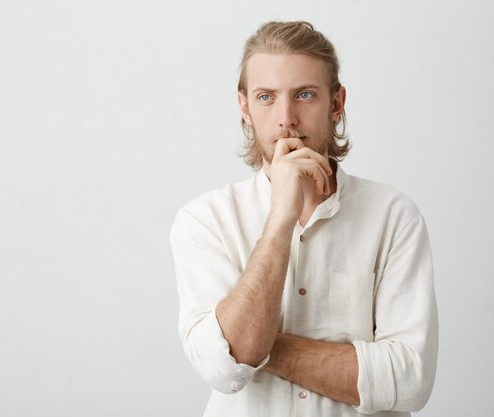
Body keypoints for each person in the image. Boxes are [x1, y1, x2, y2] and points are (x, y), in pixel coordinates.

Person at [169, 20, 438, 417]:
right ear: (244, 107)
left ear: (336, 103)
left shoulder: (393, 216)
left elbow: (409, 380)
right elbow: (220, 370)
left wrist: (260, 348)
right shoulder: (205, 220)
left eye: (305, 95)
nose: (286, 118)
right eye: (266, 97)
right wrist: (281, 217)